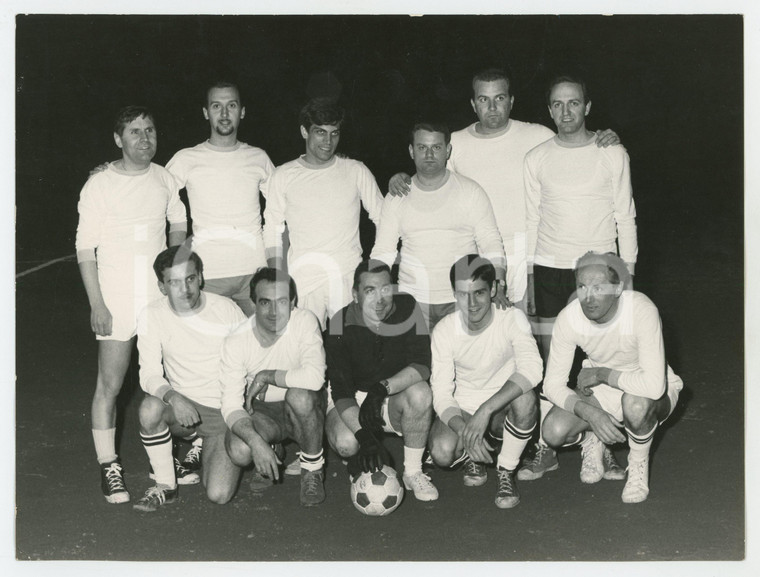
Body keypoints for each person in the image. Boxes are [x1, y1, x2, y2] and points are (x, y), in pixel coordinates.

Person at [388, 67, 620, 310]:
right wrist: (401, 177)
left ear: (511, 101)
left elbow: (574, 148)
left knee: (527, 328)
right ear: (473, 104)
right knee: (484, 333)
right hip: (477, 249)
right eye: (483, 99)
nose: (491, 107)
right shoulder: (455, 142)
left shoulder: (537, 135)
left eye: (499, 98)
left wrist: (602, 137)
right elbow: (432, 179)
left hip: (526, 248)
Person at [519, 73, 637, 480]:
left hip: (601, 270)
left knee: (597, 361)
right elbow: (531, 220)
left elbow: (626, 217)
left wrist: (629, 276)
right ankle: (545, 447)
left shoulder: (611, 152)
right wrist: (527, 280)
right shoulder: (535, 158)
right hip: (550, 269)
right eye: (557, 104)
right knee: (556, 364)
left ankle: (597, 445)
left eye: (573, 103)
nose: (565, 111)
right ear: (548, 109)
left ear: (587, 107)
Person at [76, 105, 187, 504]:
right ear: (118, 139)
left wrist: (172, 271)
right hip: (117, 301)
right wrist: (97, 305)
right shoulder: (100, 184)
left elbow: (178, 222)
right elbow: (85, 249)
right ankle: (110, 466)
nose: (145, 139)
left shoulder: (165, 178)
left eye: (150, 130)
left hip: (159, 301)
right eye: (135, 132)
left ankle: (175, 459)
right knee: (111, 385)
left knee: (168, 382)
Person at [541, 252, 683, 503]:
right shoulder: (569, 317)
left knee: (635, 404)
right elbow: (551, 385)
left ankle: (638, 466)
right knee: (553, 431)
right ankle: (592, 439)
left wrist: (601, 373)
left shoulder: (641, 309)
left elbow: (653, 385)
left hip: (651, 390)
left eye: (598, 287)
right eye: (582, 286)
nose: (588, 296)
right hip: (602, 392)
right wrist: (590, 413)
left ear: (618, 289)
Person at [132, 247, 247, 512]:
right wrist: (174, 397)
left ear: (201, 277)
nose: (185, 289)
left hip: (224, 412)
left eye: (190, 279)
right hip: (184, 409)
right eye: (174, 282)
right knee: (150, 408)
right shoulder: (152, 314)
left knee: (218, 494)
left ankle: (209, 446)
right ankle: (165, 487)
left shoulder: (226, 309)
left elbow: (251, 360)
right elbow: (148, 373)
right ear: (162, 287)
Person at [428, 255, 543, 509]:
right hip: (464, 406)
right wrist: (465, 430)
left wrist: (486, 410)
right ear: (454, 293)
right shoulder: (445, 330)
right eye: (462, 294)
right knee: (441, 452)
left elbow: (533, 370)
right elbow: (442, 394)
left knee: (526, 398)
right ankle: (474, 451)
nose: (470, 304)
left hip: (502, 406)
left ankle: (506, 470)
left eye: (479, 293)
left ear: (492, 289)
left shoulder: (512, 318)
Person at [371, 122, 507, 331]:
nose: (429, 154)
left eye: (436, 147)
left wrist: (498, 281)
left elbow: (490, 240)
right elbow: (383, 251)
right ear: (411, 151)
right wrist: (373, 291)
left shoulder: (470, 191)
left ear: (448, 150)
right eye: (422, 147)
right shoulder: (397, 196)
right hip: (412, 301)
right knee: (419, 363)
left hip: (463, 299)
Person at [263, 98, 384, 329]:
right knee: (306, 353)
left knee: (351, 352)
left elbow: (383, 218)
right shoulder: (283, 175)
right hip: (303, 281)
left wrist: (374, 266)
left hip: (347, 276)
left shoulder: (355, 170)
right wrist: (278, 279)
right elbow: (271, 229)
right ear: (304, 131)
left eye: (334, 133)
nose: (328, 141)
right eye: (320, 132)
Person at [324, 260, 438, 501]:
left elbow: (421, 365)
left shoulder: (407, 306)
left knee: (421, 393)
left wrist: (381, 389)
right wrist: (364, 437)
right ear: (355, 295)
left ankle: (413, 471)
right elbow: (342, 391)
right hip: (353, 397)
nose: (380, 298)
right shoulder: (338, 323)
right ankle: (359, 459)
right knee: (347, 442)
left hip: (390, 392)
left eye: (386, 288)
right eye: (370, 291)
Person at [166, 80, 275, 317]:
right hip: (207, 275)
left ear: (242, 111)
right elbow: (154, 190)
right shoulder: (187, 158)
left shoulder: (258, 157)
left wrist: (331, 163)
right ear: (206, 113)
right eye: (216, 106)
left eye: (232, 106)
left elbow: (287, 199)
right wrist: (113, 168)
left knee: (262, 349)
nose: (224, 114)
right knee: (209, 350)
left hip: (253, 273)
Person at [220, 268, 328, 506]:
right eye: (265, 302)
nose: (273, 311)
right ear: (253, 303)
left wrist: (268, 376)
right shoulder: (236, 341)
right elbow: (229, 405)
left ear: (293, 302)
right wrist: (257, 443)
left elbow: (315, 378)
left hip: (305, 406)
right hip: (264, 412)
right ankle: (271, 447)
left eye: (281, 302)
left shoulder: (304, 321)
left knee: (300, 396)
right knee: (240, 450)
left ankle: (312, 469)